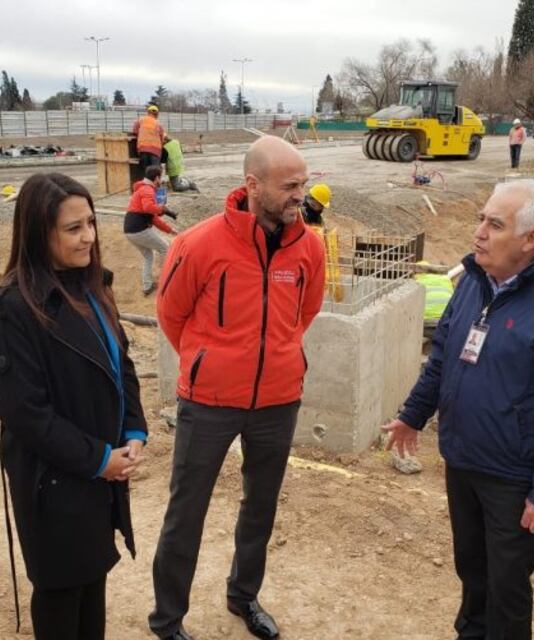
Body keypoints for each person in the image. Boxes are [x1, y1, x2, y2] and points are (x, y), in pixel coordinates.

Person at [382, 179, 534, 640]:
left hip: (513, 478)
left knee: (506, 589)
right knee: (473, 573)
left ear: (530, 240)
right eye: (481, 219)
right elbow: (442, 358)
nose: (479, 232)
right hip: (462, 461)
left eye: (494, 224)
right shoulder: (474, 283)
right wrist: (412, 415)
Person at [149, 137, 326, 640]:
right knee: (187, 511)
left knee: (260, 506)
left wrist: (279, 357)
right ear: (253, 185)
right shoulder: (199, 243)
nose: (300, 195)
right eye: (290, 185)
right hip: (208, 403)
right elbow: (171, 313)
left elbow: (305, 312)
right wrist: (212, 361)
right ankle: (167, 620)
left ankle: (243, 596)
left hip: (277, 401)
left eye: (303, 183)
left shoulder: (309, 247)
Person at [0, 172, 149, 640]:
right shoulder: (14, 310)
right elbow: (26, 414)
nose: (90, 237)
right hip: (53, 486)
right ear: (39, 232)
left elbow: (123, 366)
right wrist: (100, 460)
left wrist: (133, 431)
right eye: (73, 228)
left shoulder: (91, 288)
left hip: (97, 480)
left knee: (92, 587)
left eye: (91, 222)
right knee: (61, 597)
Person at [124, 165, 179, 296]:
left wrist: (170, 230)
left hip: (130, 230)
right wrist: (162, 209)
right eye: (161, 177)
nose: (162, 180)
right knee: (165, 248)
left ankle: (147, 286)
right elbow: (149, 207)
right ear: (156, 178)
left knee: (149, 256)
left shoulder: (142, 189)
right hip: (139, 229)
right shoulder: (147, 190)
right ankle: (168, 280)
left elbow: (153, 218)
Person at [132, 104, 167, 171]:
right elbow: (162, 138)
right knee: (155, 171)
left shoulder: (141, 120)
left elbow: (135, 131)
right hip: (155, 150)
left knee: (146, 171)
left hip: (142, 148)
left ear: (148, 112)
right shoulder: (158, 124)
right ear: (157, 114)